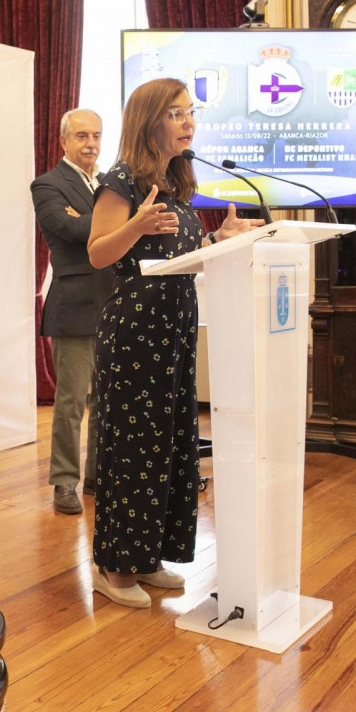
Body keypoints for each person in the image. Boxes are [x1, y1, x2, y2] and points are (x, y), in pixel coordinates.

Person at [86, 78, 264, 608]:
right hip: (136, 331)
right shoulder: (121, 182)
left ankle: (150, 556)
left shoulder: (175, 183)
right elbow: (98, 254)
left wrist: (217, 241)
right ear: (149, 121)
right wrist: (136, 225)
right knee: (133, 445)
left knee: (168, 443)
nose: (188, 122)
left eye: (191, 112)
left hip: (175, 328)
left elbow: (177, 258)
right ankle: (114, 567)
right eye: (175, 113)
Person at [31, 109, 115, 515]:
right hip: (74, 306)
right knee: (70, 404)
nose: (91, 144)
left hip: (113, 304)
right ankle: (64, 481)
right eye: (82, 136)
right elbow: (69, 232)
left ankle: (98, 476)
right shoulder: (47, 184)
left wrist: (93, 221)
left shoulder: (110, 183)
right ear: (64, 141)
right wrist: (115, 223)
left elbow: (94, 229)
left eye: (97, 135)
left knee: (107, 401)